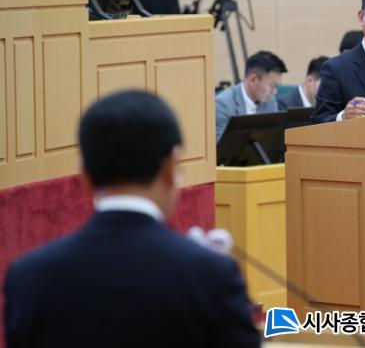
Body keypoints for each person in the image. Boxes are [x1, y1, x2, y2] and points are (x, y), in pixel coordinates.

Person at [3, 90, 260, 348]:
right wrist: (212, 272)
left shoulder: (28, 277)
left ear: (85, 175)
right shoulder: (211, 275)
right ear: (170, 169)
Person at [215, 51, 287, 141]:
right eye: (272, 85)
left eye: (277, 86)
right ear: (253, 80)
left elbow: (272, 140)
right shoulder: (222, 105)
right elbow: (220, 147)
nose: (274, 92)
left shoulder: (270, 102)